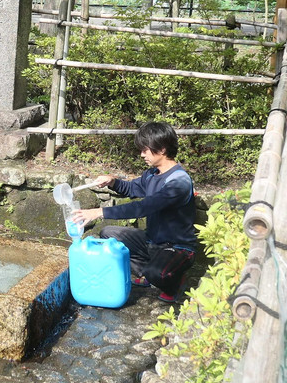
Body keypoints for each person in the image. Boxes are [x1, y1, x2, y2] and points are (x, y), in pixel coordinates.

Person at [72, 121, 199, 303]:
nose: (142, 154)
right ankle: (148, 272)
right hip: (152, 242)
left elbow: (143, 207)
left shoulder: (179, 182)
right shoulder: (152, 174)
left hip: (178, 248)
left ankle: (175, 282)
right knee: (108, 234)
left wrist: (99, 212)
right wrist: (112, 182)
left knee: (157, 274)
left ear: (162, 149)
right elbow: (132, 188)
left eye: (145, 149)